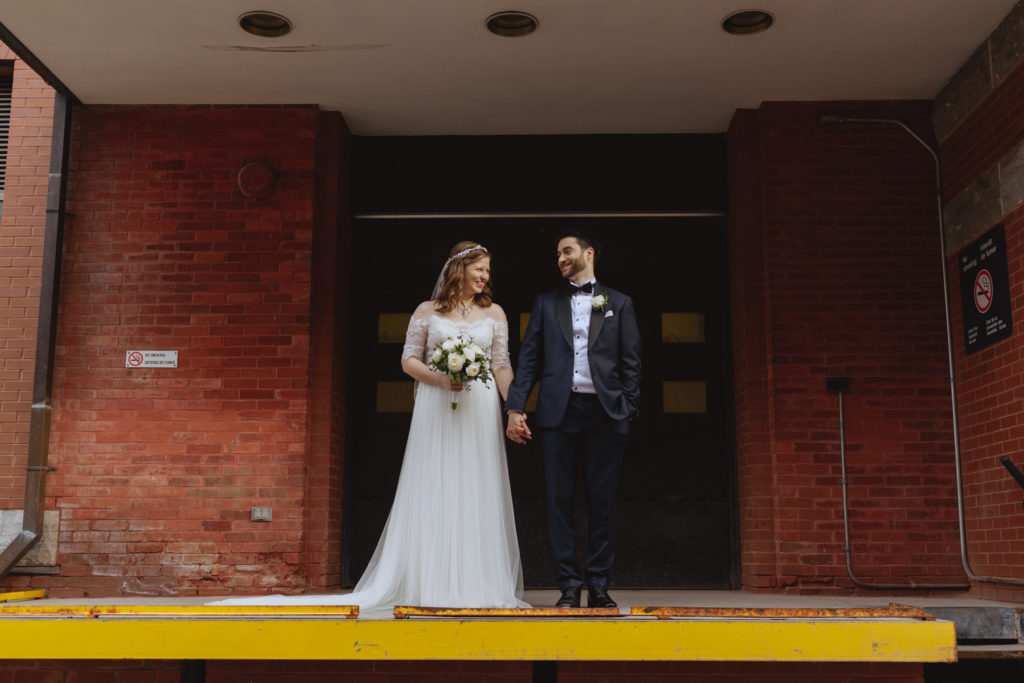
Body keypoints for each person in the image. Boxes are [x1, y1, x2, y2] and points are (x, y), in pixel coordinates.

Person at [211, 242, 528, 611]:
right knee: (435, 481)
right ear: (460, 269)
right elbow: (408, 360)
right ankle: (431, 581)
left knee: (477, 483)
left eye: (488, 271)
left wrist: (514, 408)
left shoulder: (496, 313)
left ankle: (479, 582)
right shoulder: (428, 311)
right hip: (438, 404)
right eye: (481, 269)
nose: (486, 277)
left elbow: (501, 364)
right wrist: (440, 379)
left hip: (479, 404)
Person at [505, 230, 641, 609]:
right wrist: (516, 406)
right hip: (557, 414)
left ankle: (598, 584)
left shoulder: (618, 303)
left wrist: (628, 405)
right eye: (558, 254)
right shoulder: (547, 303)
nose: (561, 258)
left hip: (606, 413)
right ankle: (567, 585)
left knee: (602, 502)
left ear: (589, 253)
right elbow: (529, 359)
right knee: (558, 501)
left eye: (567, 251)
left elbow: (631, 361)